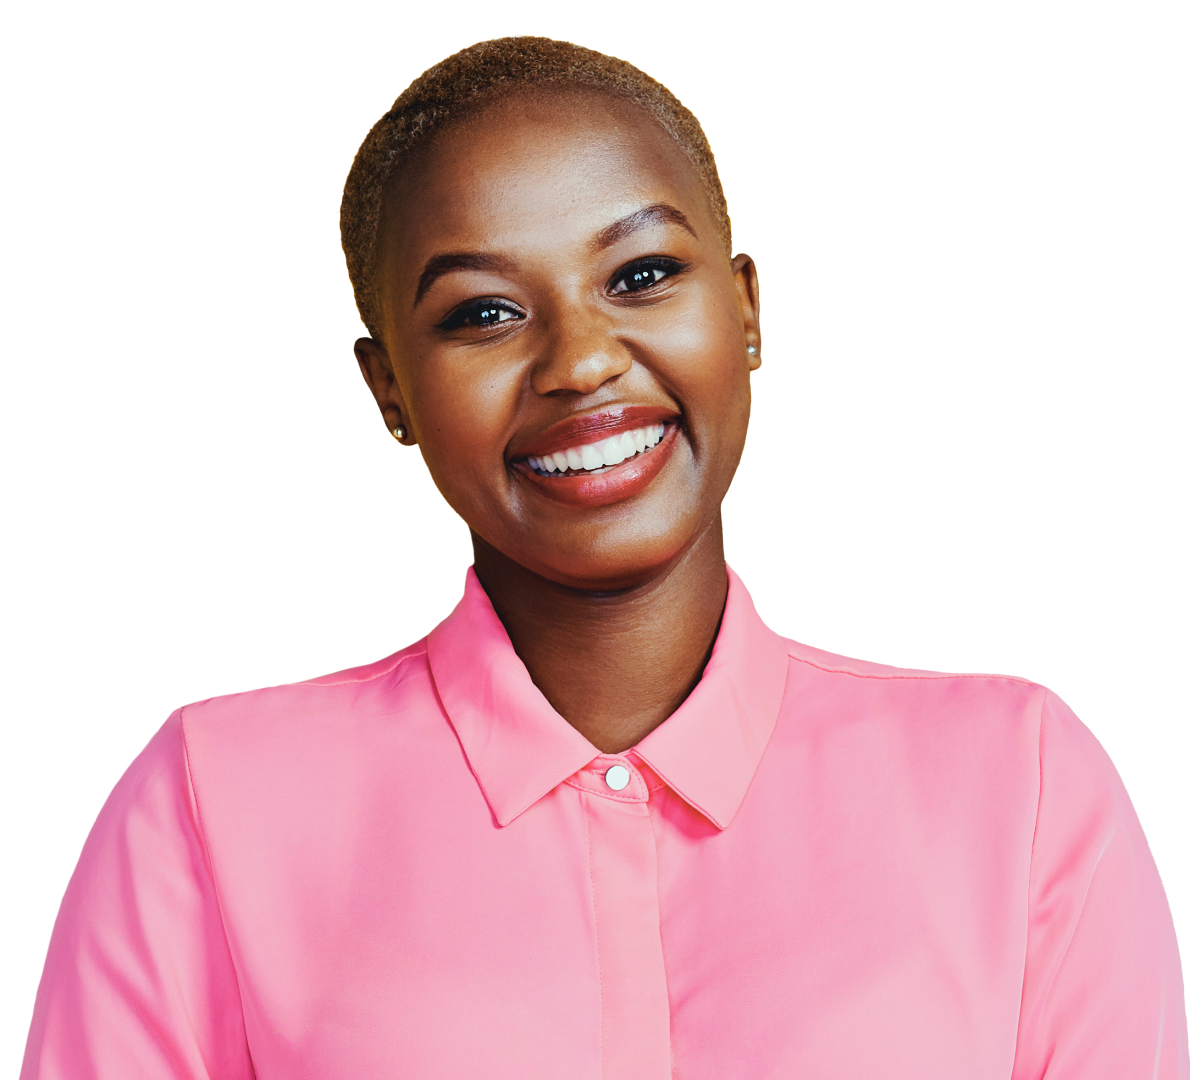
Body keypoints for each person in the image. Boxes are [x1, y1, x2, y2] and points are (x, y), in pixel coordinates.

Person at [22, 34, 1187, 1079]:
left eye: (639, 276)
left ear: (745, 311)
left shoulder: (1020, 783)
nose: (581, 362)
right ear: (388, 389)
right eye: (482, 313)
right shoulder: (209, 803)